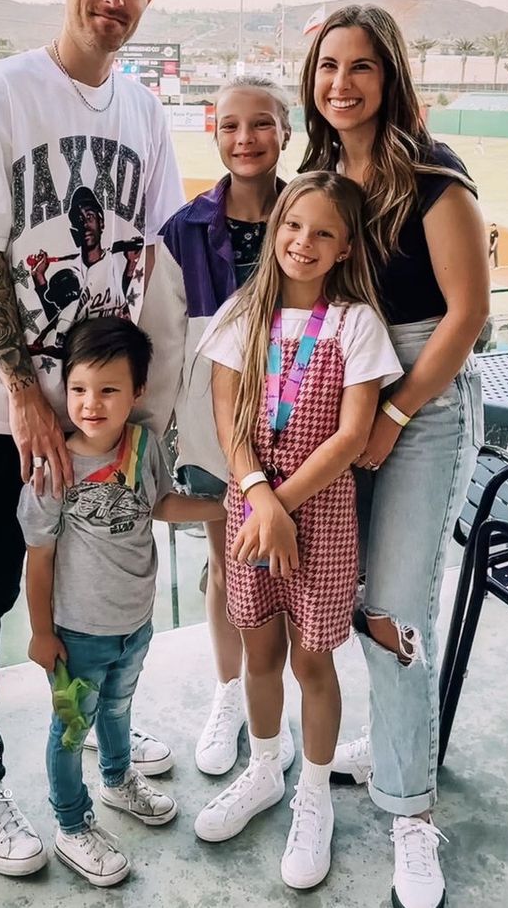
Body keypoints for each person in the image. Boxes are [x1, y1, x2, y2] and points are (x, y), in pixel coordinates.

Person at [0, 0, 184, 876]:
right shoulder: (2, 95)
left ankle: (104, 740)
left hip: (105, 420)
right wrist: (22, 392)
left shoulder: (146, 111)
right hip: (11, 413)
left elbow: (166, 259)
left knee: (98, 596)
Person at [300, 5, 488, 908]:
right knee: (351, 597)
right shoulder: (321, 176)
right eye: (328, 66)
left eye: (360, 67)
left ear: (391, 76)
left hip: (424, 398)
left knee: (395, 609)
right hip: (350, 398)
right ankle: (395, 743)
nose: (341, 83)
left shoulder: (434, 174)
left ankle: (412, 815)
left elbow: (466, 315)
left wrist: (397, 414)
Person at [194, 173, 403, 889]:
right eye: (292, 226)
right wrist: (260, 497)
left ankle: (313, 795)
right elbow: (228, 421)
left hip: (321, 515)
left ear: (346, 247)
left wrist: (281, 505)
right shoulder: (240, 315)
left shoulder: (356, 326)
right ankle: (263, 769)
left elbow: (351, 437)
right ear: (275, 226)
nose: (302, 243)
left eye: (322, 233)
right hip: (254, 507)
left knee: (312, 663)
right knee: (260, 654)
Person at [21, 317, 224, 887]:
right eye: (80, 389)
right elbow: (38, 556)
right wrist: (41, 633)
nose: (91, 403)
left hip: (134, 625)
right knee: (68, 730)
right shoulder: (54, 468)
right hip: (77, 635)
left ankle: (116, 780)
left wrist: (225, 508)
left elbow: (160, 505)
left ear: (137, 392)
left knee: (115, 711)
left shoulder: (143, 444)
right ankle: (70, 823)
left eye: (109, 390)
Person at [137, 75, 295, 777]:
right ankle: (232, 694)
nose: (245, 139)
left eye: (261, 124)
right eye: (231, 126)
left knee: (296, 571)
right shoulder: (185, 227)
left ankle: (282, 703)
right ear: (215, 133)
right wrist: (153, 432)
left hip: (302, 433)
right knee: (230, 567)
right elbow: (162, 337)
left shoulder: (314, 212)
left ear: (285, 133)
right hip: (211, 432)